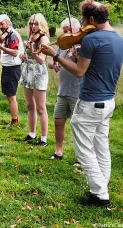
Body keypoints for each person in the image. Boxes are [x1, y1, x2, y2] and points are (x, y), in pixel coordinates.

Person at [41, 0, 123, 207]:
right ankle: (99, 190)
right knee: (101, 147)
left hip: (90, 102)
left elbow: (80, 71)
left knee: (84, 150)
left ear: (90, 19)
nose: (81, 25)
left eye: (83, 20)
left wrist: (55, 55)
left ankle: (100, 194)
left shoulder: (92, 40)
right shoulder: (120, 39)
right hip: (108, 101)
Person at [47, 17, 82, 160]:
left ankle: (82, 157)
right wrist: (53, 64)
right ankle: (59, 151)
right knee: (58, 121)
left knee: (79, 126)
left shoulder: (81, 46)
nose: (66, 34)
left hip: (77, 91)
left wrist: (75, 57)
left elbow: (83, 68)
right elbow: (52, 61)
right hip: (63, 90)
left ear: (76, 30)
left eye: (68, 30)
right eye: (64, 31)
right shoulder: (63, 45)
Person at [19, 13, 50, 147]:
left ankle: (44, 138)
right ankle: (32, 134)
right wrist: (24, 57)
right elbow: (30, 57)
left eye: (36, 23)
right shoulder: (31, 36)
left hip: (38, 72)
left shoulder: (43, 39)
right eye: (31, 23)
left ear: (41, 24)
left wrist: (32, 50)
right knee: (30, 105)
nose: (33, 26)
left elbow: (42, 60)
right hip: (28, 70)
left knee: (41, 107)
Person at [0, 14, 24, 128]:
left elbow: (14, 52)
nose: (0, 26)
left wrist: (1, 47)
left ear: (8, 23)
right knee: (9, 95)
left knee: (11, 96)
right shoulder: (5, 35)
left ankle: (14, 121)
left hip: (13, 68)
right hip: (7, 67)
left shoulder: (13, 35)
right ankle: (14, 119)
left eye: (2, 23)